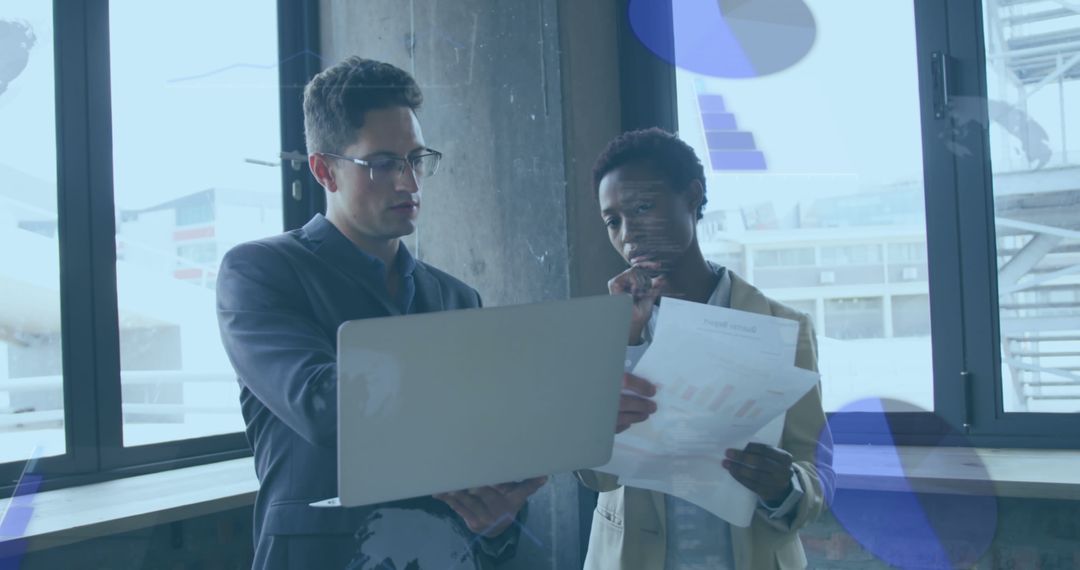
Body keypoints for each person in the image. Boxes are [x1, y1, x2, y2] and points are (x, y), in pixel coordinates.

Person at [216, 57, 545, 570]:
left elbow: (481, 457)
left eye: (417, 159)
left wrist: (497, 523)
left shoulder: (458, 299)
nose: (409, 182)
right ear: (324, 170)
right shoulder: (261, 272)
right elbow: (325, 409)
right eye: (384, 163)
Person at [578, 128, 834, 569]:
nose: (628, 233)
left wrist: (784, 485)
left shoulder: (784, 328)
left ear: (692, 197)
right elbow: (593, 475)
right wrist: (628, 339)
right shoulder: (606, 329)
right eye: (613, 221)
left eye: (643, 207)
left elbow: (817, 473)